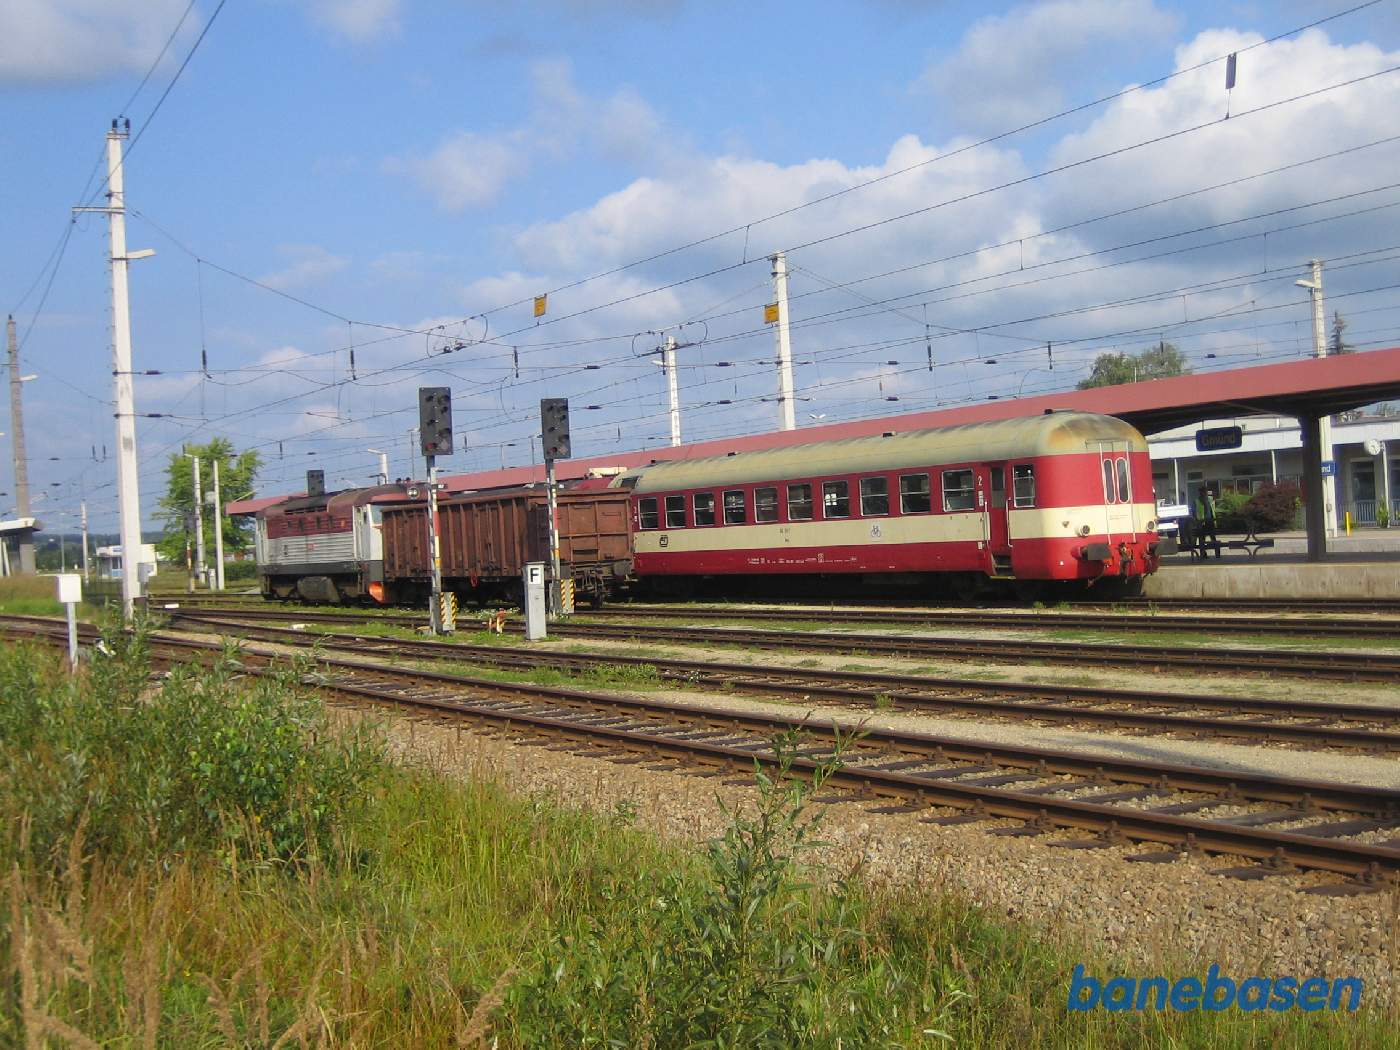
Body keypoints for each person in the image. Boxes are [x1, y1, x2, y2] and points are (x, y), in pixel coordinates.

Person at [1196, 486, 1220, 559]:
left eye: (1205, 492)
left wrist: (1212, 493)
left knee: (1213, 538)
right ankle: (1203, 554)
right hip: (1202, 522)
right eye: (1202, 492)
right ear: (1200, 493)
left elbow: (1215, 497)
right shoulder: (1197, 501)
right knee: (1202, 539)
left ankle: (1217, 553)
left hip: (1210, 521)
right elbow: (1195, 512)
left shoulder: (1210, 499)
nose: (1204, 493)